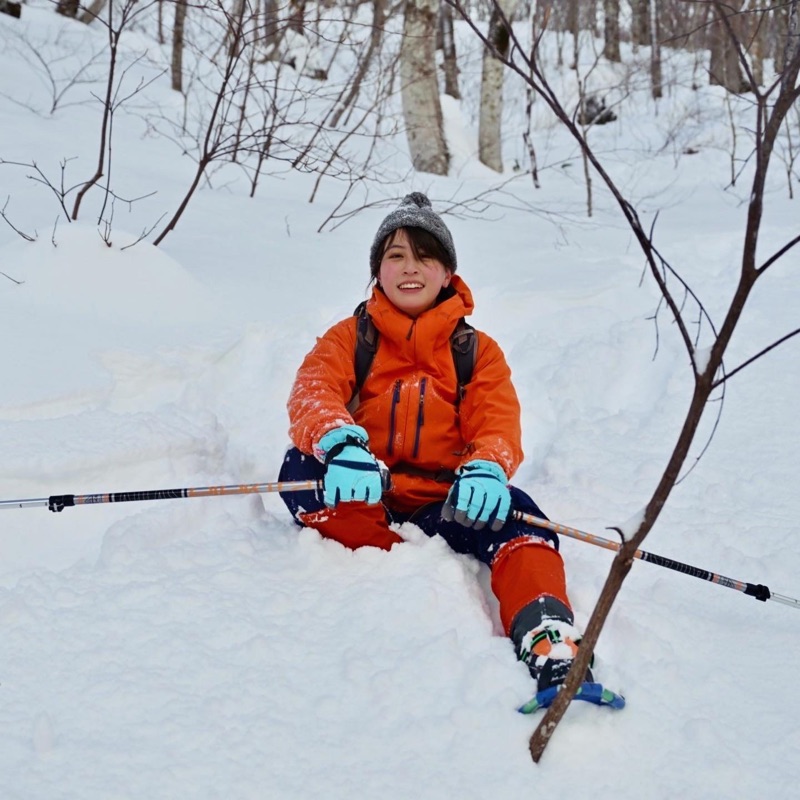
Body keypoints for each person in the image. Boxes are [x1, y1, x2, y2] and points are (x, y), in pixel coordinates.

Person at [278, 193, 590, 693]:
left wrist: (488, 466)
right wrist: (340, 444)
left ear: (448, 273)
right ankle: (394, 557)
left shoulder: (476, 351)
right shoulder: (349, 338)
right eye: (395, 255)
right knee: (299, 470)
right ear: (377, 270)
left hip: (448, 504)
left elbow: (497, 420)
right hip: (363, 491)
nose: (410, 268)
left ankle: (548, 638)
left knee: (522, 518)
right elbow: (313, 391)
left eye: (426, 256)